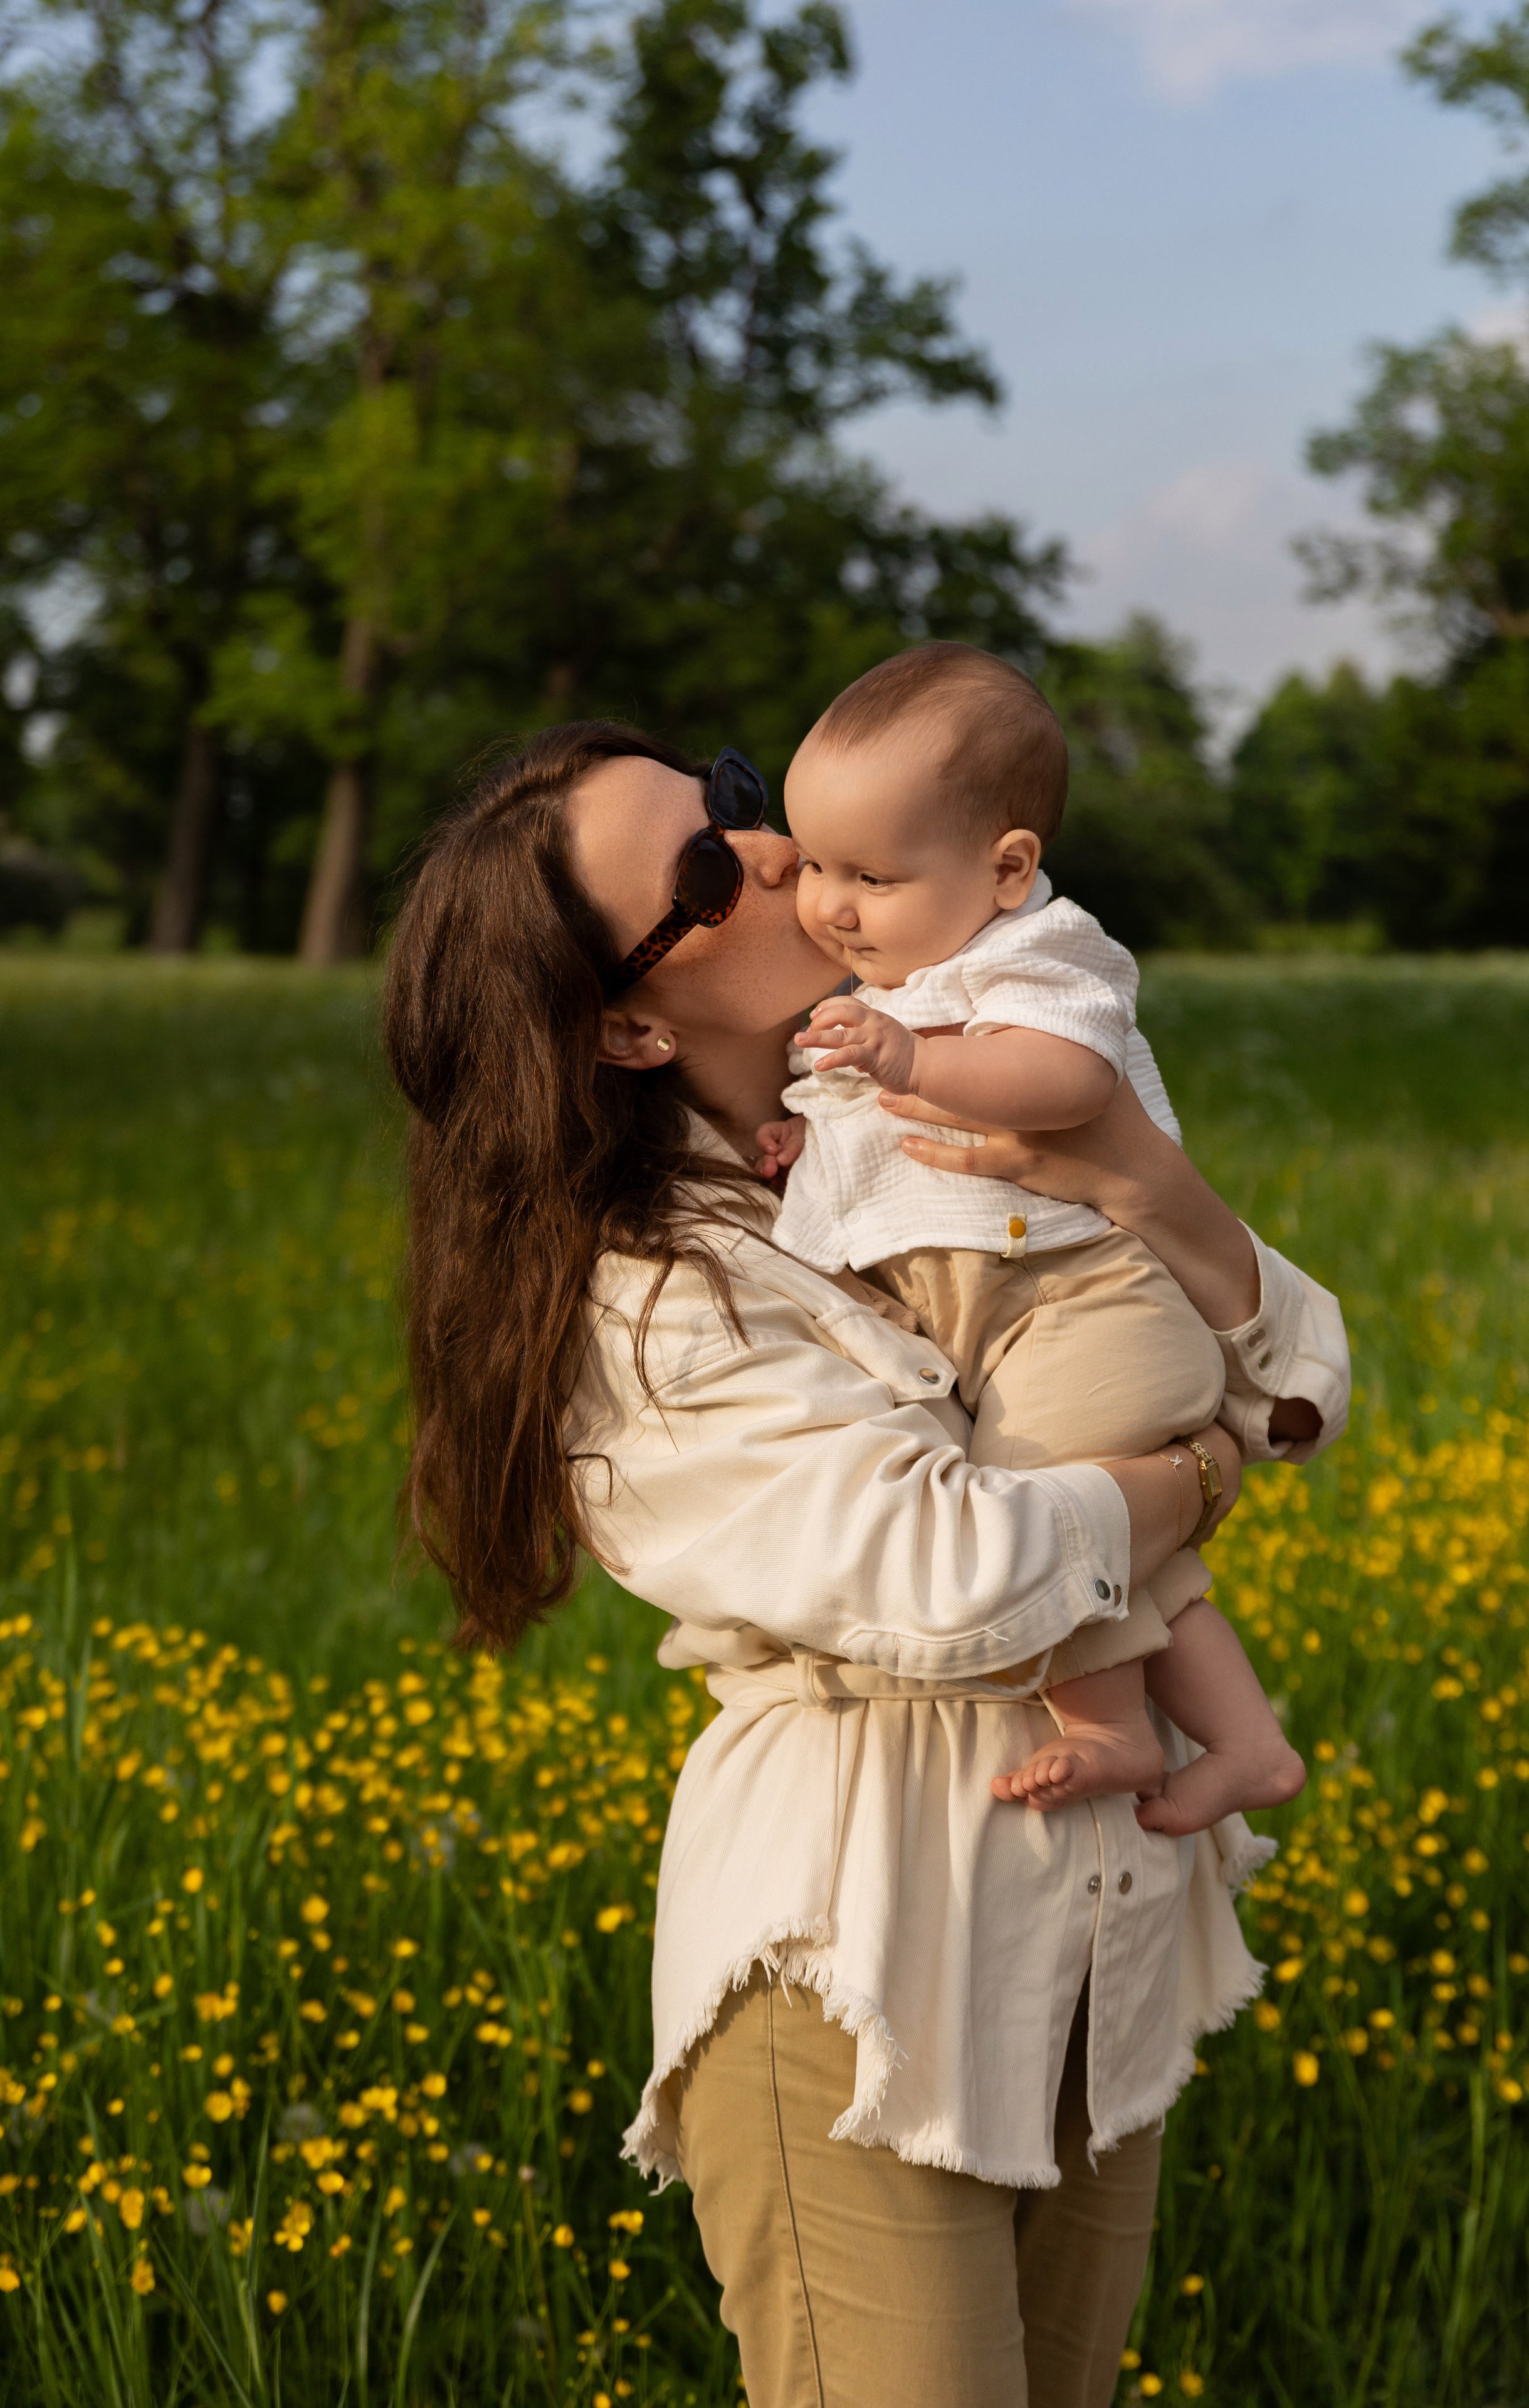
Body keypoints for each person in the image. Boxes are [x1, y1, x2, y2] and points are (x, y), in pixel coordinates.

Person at [382, 719, 1350, 2408]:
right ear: (625, 1018)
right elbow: (955, 1571)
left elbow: (1300, 1369)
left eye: (739, 808)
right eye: (706, 872)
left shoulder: (948, 1104)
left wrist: (1137, 1174)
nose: (773, 856)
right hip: (862, 1955)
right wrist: (1190, 1474)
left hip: (1094, 1918)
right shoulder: (649, 1298)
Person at [752, 642, 1308, 1837]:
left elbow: (1063, 1080)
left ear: (1007, 870)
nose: (829, 904)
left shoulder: (1037, 956)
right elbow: (870, 1146)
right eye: (813, 866)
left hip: (1082, 1301)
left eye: (872, 875)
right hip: (1009, 1313)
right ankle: (1252, 1744)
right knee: (1134, 1552)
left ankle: (1107, 1726)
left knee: (1042, 1509)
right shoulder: (893, 976)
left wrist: (910, 1060)